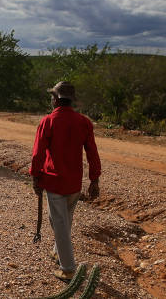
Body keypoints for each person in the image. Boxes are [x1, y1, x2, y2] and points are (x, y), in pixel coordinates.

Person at [30, 81, 101, 281]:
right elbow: (92, 153)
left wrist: (36, 176)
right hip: (74, 183)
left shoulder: (48, 121)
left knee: (59, 223)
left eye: (52, 97)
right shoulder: (84, 122)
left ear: (55, 99)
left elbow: (38, 154)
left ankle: (68, 268)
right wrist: (94, 179)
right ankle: (57, 251)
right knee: (63, 220)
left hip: (55, 182)